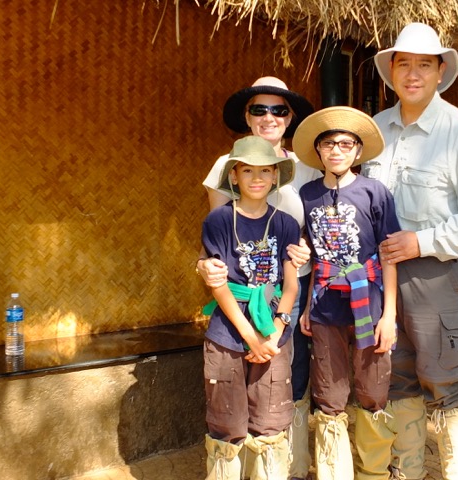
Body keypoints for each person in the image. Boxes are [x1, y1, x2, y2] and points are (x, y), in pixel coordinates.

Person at [360, 23, 458, 480]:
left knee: (444, 380)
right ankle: (408, 471)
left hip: (436, 276)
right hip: (380, 277)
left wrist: (421, 241)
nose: (413, 74)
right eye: (404, 63)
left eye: (424, 65)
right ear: (391, 70)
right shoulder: (375, 130)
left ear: (441, 71)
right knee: (397, 377)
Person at [200, 76, 319, 480]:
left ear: (290, 117)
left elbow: (319, 224)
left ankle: (290, 465)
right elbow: (219, 241)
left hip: (289, 289)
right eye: (259, 109)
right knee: (234, 385)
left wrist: (305, 253)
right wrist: (205, 266)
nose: (269, 117)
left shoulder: (306, 165)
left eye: (279, 110)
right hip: (237, 294)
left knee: (287, 376)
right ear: (247, 116)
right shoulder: (226, 163)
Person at [292, 106, 400, 479]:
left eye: (345, 144)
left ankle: (374, 471)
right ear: (318, 151)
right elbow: (311, 256)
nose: (336, 150)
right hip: (325, 305)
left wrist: (390, 315)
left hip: (370, 303)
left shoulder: (375, 192)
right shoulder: (307, 194)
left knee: (372, 387)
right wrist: (307, 307)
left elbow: (389, 254)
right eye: (328, 144)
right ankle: (334, 472)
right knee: (329, 390)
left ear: (358, 150)